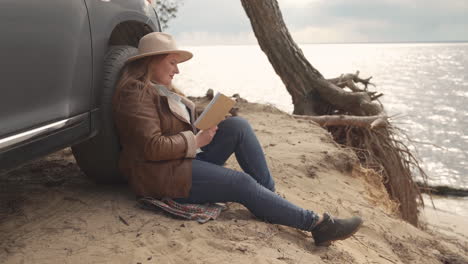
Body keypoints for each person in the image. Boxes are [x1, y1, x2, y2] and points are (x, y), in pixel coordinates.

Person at [112, 32, 363, 247]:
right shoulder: (135, 93)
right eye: (172, 63)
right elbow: (151, 147)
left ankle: (268, 198)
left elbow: (174, 125)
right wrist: (196, 141)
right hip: (160, 174)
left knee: (238, 126)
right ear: (151, 62)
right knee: (239, 181)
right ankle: (318, 225)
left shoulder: (161, 88)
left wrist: (212, 118)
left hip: (181, 159)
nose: (177, 70)